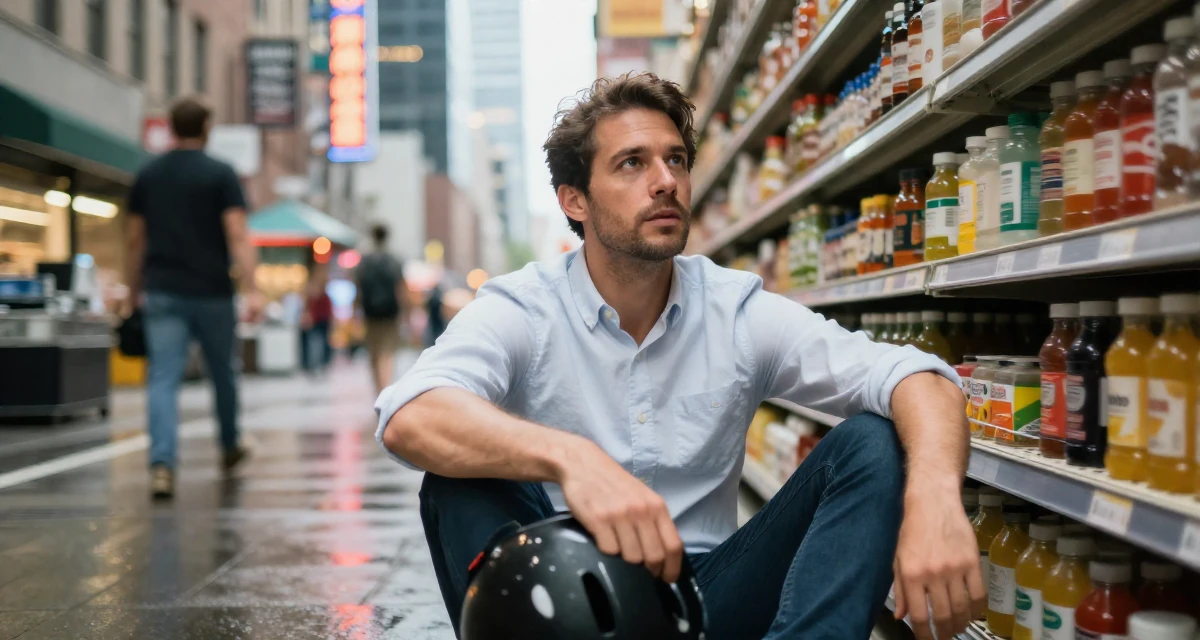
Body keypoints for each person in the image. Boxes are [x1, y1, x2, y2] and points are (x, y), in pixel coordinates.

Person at [375, 73, 982, 640]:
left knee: (873, 441)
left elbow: (917, 377)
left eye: (676, 160)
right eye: (632, 163)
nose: (665, 180)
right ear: (575, 201)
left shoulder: (736, 311)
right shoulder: (524, 308)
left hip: (706, 595)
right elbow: (412, 415)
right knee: (455, 477)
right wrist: (571, 460)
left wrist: (934, 499)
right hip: (566, 596)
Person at [123, 97, 261, 500]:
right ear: (206, 129)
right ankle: (230, 445)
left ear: (170, 126)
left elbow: (135, 239)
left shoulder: (148, 175)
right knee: (224, 373)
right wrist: (252, 288)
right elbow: (237, 234)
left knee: (163, 377)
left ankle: (162, 465)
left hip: (162, 289)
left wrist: (133, 291)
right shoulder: (220, 174)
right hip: (213, 291)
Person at [356, 224, 406, 393]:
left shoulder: (365, 260)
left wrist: (355, 310)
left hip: (369, 313)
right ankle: (386, 386)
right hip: (391, 313)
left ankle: (378, 387)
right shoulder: (395, 260)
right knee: (388, 351)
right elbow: (401, 288)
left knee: (374, 352)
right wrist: (405, 311)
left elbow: (358, 287)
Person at [300, 264, 333, 375]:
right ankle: (313, 365)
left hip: (325, 318)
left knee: (323, 343)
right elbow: (307, 304)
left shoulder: (324, 285)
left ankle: (322, 364)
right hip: (315, 319)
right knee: (314, 343)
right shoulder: (311, 287)